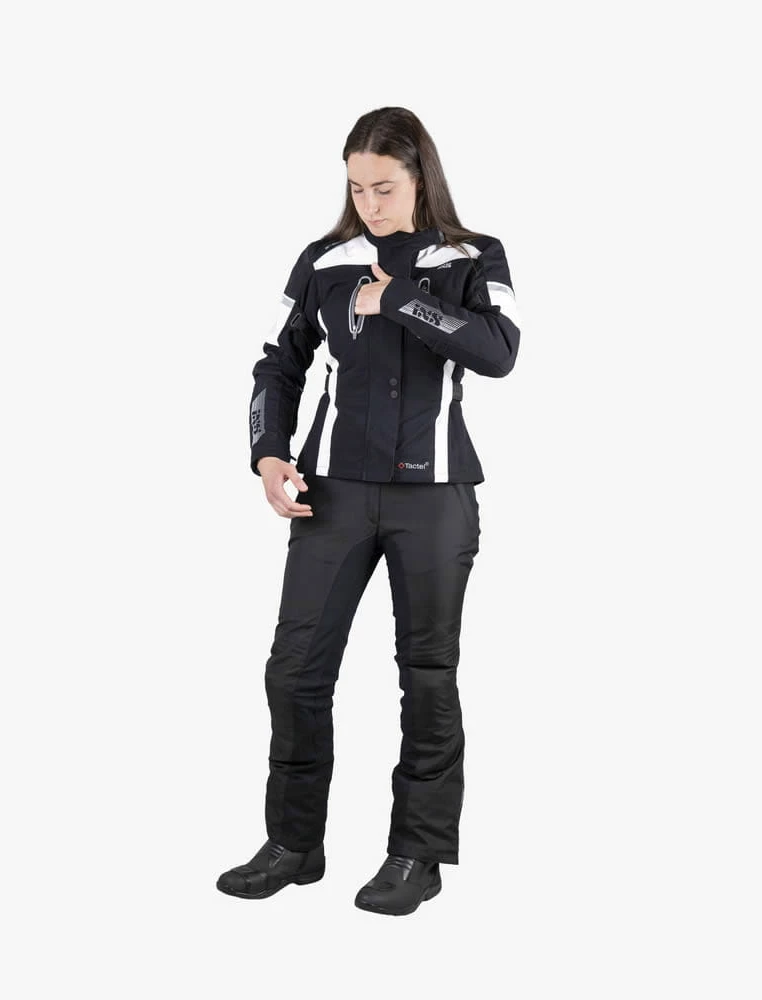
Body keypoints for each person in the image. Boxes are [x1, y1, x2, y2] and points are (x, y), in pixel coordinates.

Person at [216, 106, 522, 916]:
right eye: (356, 188)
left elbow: (499, 352)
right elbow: (276, 364)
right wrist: (268, 451)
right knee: (295, 670)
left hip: (436, 498)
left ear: (421, 177)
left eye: (384, 187)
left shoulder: (472, 255)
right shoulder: (326, 260)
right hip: (334, 496)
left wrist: (405, 303)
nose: (370, 204)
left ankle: (417, 855)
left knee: (427, 676)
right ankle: (293, 845)